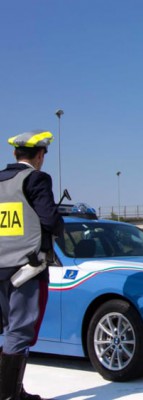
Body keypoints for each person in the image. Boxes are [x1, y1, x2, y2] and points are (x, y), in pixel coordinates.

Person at [0, 130, 64, 400]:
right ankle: (9, 395)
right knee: (20, 331)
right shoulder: (36, 179)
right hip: (25, 270)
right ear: (39, 156)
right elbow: (49, 220)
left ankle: (13, 390)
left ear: (15, 153)